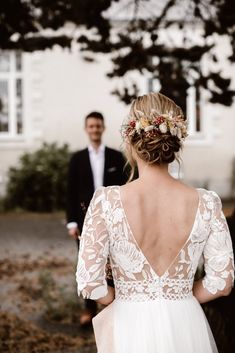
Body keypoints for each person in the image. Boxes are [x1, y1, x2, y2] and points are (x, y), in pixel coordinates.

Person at [76, 92, 234, 352]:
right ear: (175, 141)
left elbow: (90, 284)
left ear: (130, 138)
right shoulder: (207, 203)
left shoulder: (107, 202)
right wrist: (178, 295)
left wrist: (123, 297)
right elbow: (222, 282)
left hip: (130, 323)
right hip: (186, 322)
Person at [66, 111, 127, 327]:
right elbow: (70, 192)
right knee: (88, 263)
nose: (94, 129)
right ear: (86, 129)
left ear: (103, 128)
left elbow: (124, 189)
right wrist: (72, 222)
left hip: (112, 218)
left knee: (114, 261)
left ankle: (112, 307)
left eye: (98, 126)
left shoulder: (116, 157)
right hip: (84, 220)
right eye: (91, 126)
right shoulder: (77, 159)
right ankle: (88, 310)